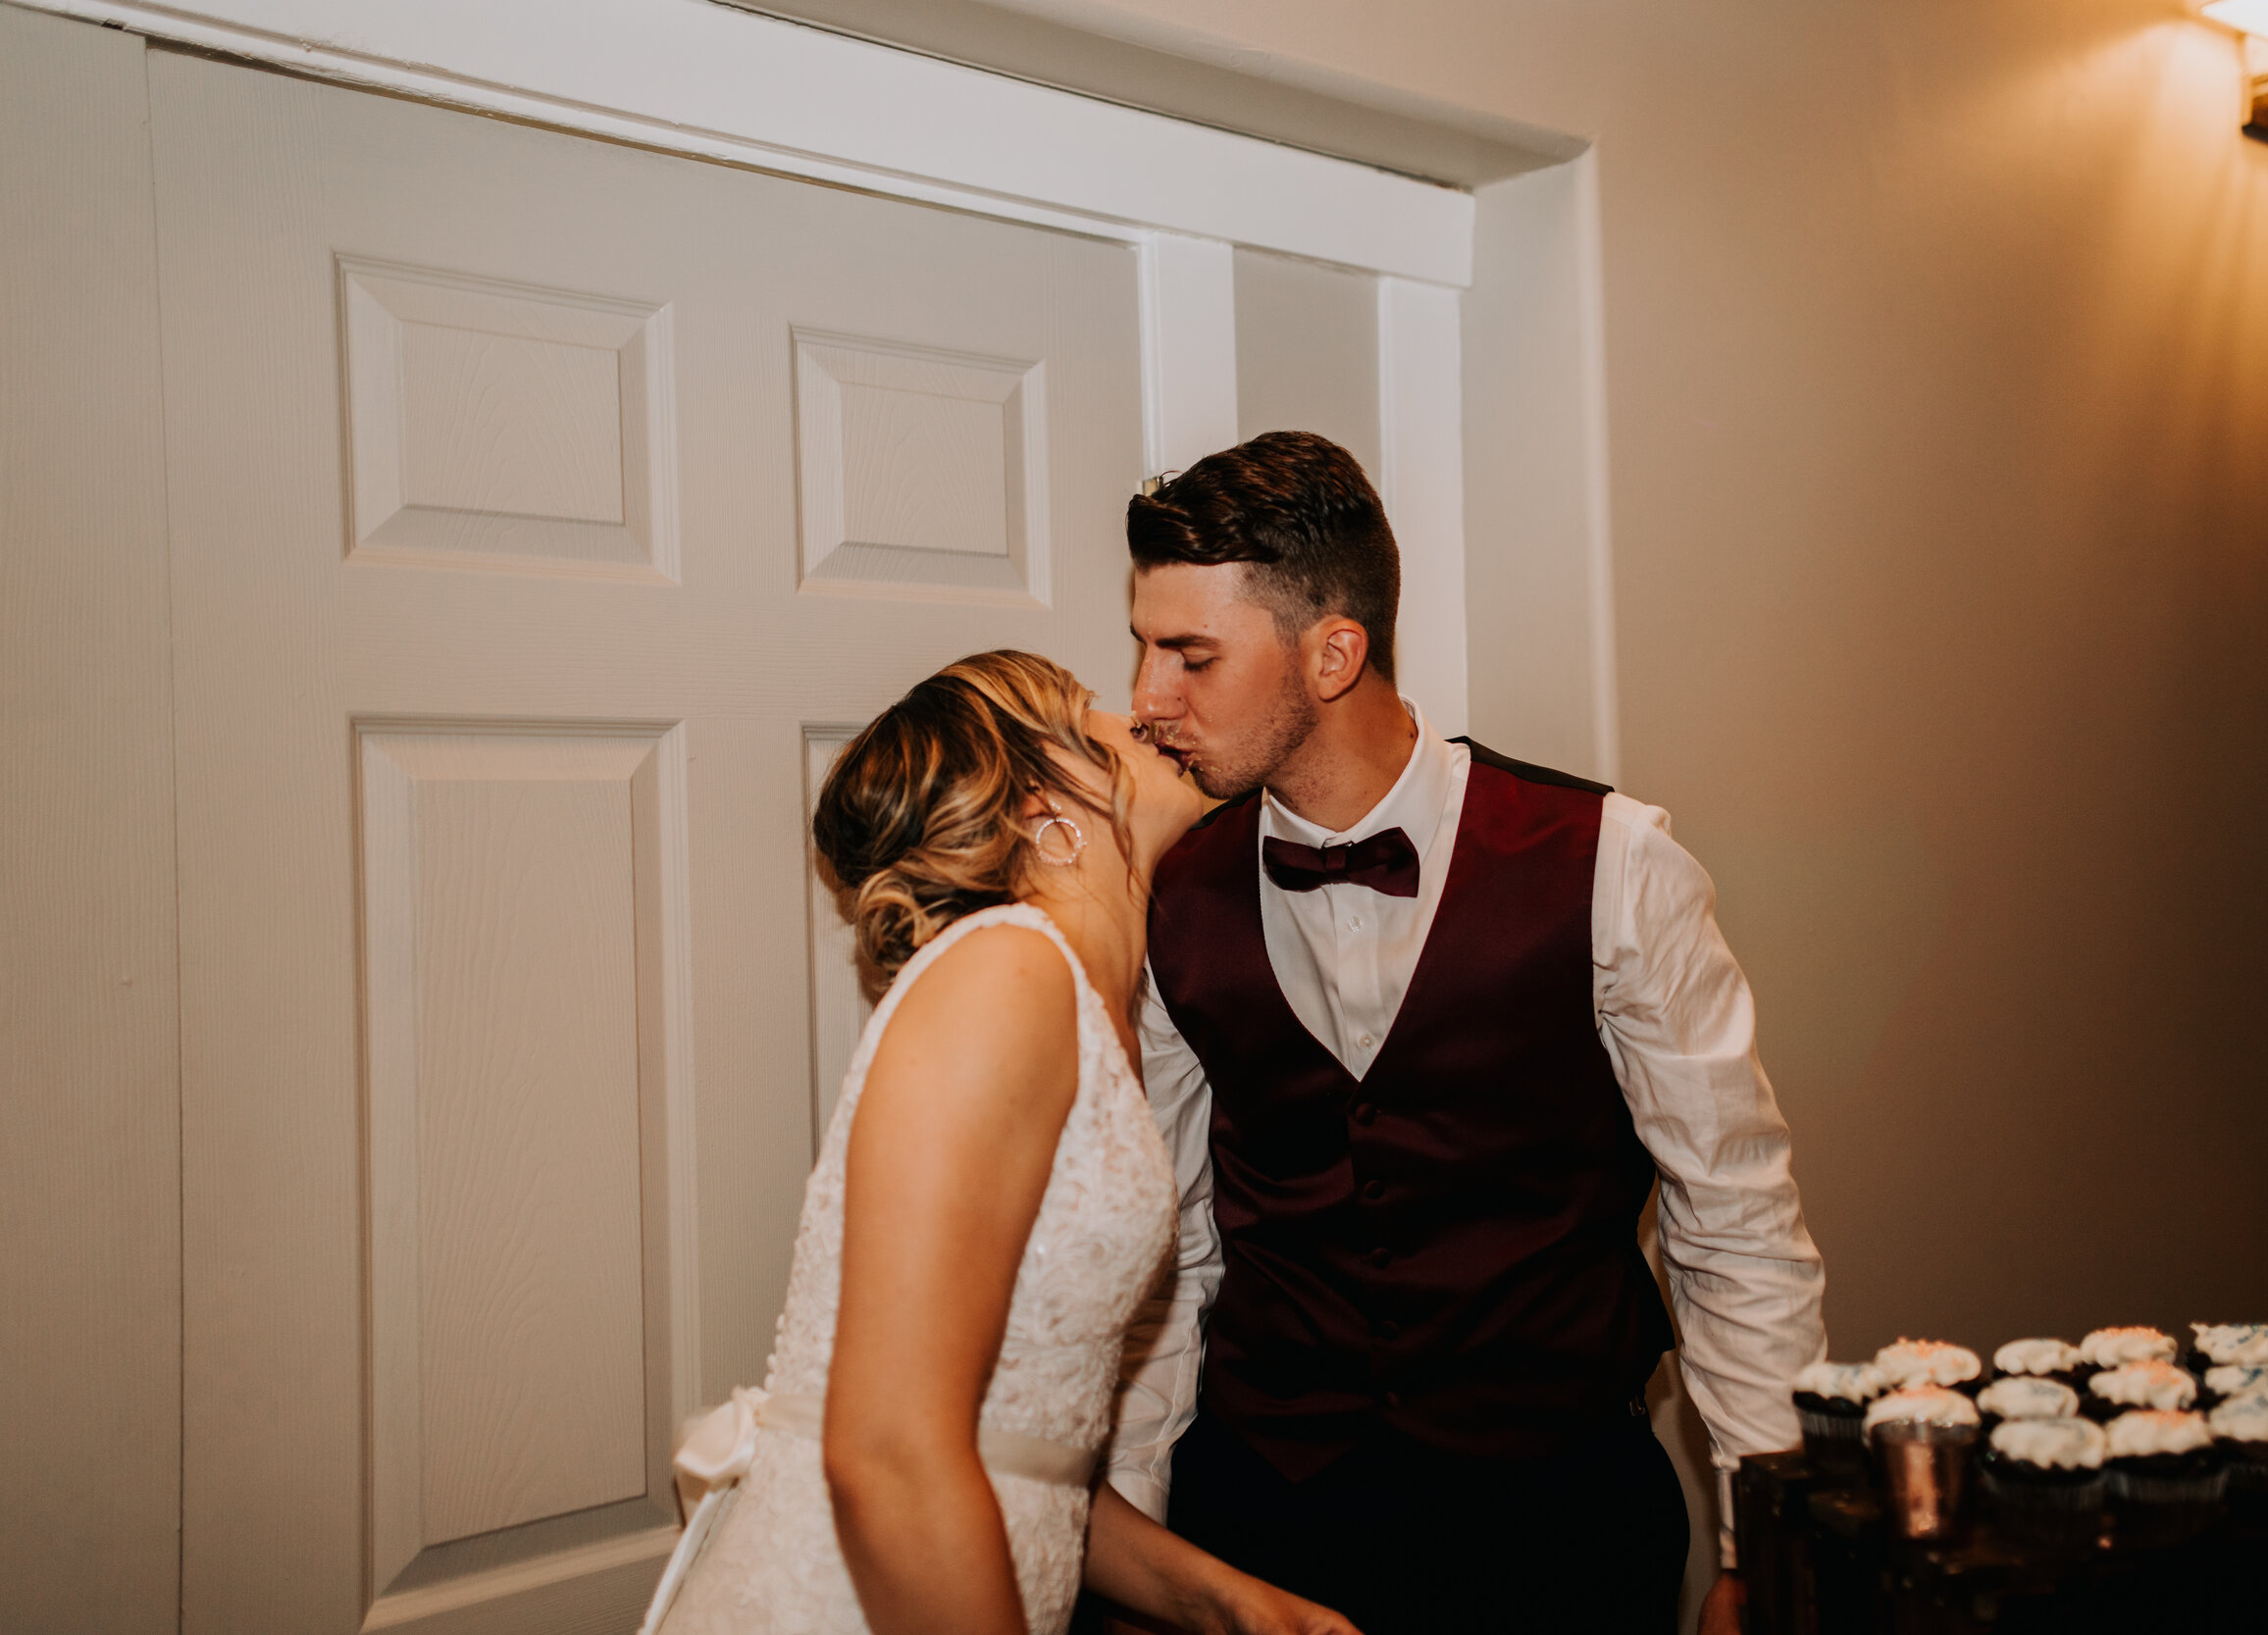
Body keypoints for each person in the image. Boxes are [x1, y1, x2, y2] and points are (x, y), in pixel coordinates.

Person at [1107, 433, 1827, 1635]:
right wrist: (1141, 1556)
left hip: (1559, 1527)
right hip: (1268, 1514)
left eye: (1190, 654)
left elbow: (1734, 1221)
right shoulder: (1167, 892)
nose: (1146, 697)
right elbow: (1170, 1249)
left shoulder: (1612, 863)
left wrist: (1768, 1542)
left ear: (1333, 653)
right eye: (1143, 646)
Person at [648, 651, 1363, 1635]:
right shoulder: (1008, 976)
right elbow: (887, 1452)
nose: (1138, 715)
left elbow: (1026, 1452)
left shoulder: (1087, 1007)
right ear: (1036, 799)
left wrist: (1226, 1601)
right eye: (1087, 711)